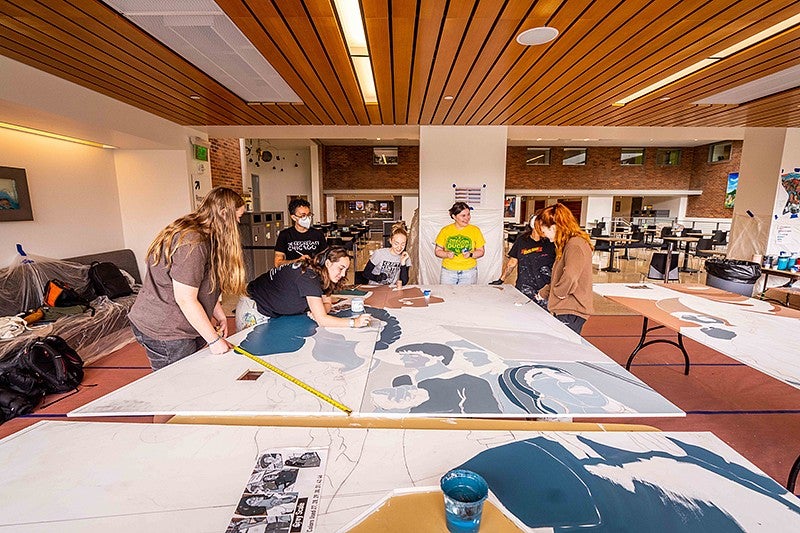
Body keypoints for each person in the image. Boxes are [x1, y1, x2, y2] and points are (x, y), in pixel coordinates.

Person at [128, 187, 247, 370]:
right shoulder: (193, 242)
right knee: (179, 386)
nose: (238, 222)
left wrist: (218, 313)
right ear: (224, 213)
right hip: (167, 329)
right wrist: (214, 341)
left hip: (179, 325)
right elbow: (185, 299)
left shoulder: (206, 235)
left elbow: (200, 282)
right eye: (237, 217)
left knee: (191, 377)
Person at [238, 246, 372, 329]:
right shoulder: (309, 276)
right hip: (254, 308)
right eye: (341, 268)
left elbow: (326, 302)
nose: (342, 274)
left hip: (273, 311)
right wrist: (354, 322)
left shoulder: (320, 273)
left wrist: (319, 311)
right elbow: (322, 320)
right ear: (328, 263)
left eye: (346, 270)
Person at [536, 203, 594, 334]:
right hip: (567, 309)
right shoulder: (568, 244)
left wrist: (559, 293)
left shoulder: (574, 245)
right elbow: (561, 276)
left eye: (544, 230)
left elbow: (570, 276)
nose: (544, 235)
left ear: (555, 227)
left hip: (570, 310)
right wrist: (544, 293)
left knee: (564, 350)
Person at [491, 214, 555, 307]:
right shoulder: (522, 240)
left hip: (544, 289)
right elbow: (512, 262)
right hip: (524, 287)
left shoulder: (551, 242)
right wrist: (502, 279)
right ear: (534, 227)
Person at [434, 202, 486, 285]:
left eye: (468, 214)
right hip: (448, 271)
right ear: (454, 216)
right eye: (463, 215)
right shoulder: (445, 230)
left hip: (469, 272)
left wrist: (471, 254)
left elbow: (481, 251)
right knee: (447, 295)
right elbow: (437, 251)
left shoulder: (475, 230)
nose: (467, 218)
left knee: (467, 296)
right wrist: (446, 254)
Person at [274, 198, 326, 267]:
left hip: (313, 274)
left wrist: (313, 262)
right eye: (303, 215)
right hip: (293, 275)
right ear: (293, 217)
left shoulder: (318, 234)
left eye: (309, 215)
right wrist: (297, 261)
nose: (307, 218)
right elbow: (277, 263)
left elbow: (325, 259)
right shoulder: (285, 235)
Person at [362, 221, 411, 288]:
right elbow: (365, 273)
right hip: (375, 288)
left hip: (390, 290)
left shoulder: (405, 257)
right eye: (396, 243)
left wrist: (403, 263)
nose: (399, 248)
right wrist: (377, 278)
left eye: (403, 244)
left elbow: (404, 282)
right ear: (390, 241)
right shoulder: (379, 254)